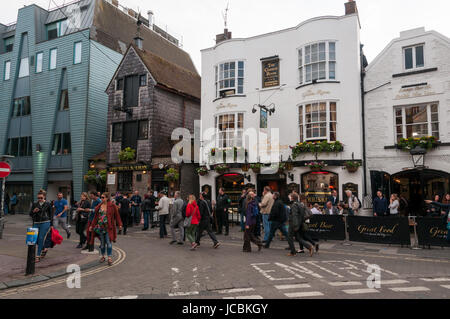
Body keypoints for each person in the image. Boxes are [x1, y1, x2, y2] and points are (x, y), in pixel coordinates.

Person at [89, 193, 122, 266]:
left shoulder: (112, 205)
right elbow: (95, 217)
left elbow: (117, 216)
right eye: (101, 197)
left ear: (107, 198)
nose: (101, 198)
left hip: (108, 228)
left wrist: (120, 224)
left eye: (103, 197)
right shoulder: (99, 206)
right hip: (100, 227)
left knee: (109, 243)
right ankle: (103, 256)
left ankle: (109, 258)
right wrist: (92, 226)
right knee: (102, 244)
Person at [30, 190, 53, 262]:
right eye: (38, 198)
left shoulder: (48, 204)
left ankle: (38, 255)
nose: (39, 199)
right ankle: (44, 248)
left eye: (41, 198)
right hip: (36, 222)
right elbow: (30, 214)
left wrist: (51, 225)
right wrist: (34, 211)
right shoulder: (35, 204)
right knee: (33, 238)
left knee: (40, 238)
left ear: (44, 197)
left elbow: (51, 215)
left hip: (45, 222)